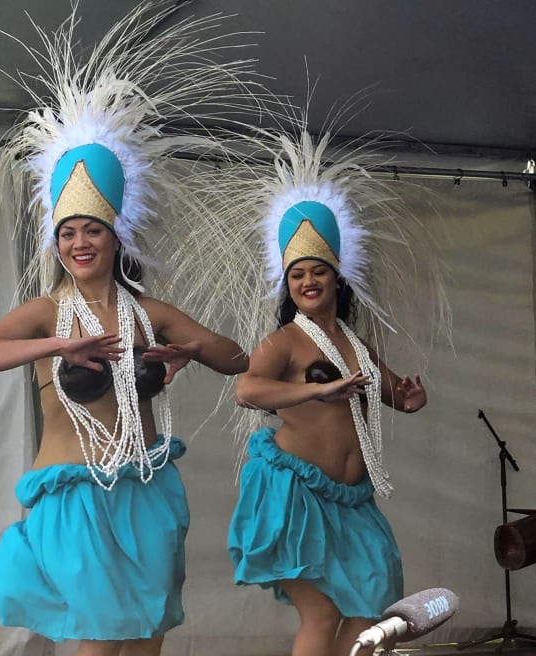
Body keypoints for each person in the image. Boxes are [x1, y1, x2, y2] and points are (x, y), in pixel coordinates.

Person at [0, 7, 260, 654]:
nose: (79, 242)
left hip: (146, 489)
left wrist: (192, 350)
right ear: (56, 243)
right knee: (99, 641)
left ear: (116, 235)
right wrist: (60, 345)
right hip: (76, 496)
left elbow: (238, 359)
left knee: (147, 639)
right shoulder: (45, 311)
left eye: (91, 229)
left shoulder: (148, 311)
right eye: (67, 232)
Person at [227, 126, 444, 656]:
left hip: (352, 500)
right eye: (297, 273)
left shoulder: (355, 341)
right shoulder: (286, 341)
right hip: (296, 494)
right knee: (322, 611)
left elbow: (391, 392)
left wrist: (409, 398)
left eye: (317, 271)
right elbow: (247, 391)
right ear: (288, 283)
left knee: (373, 607)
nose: (307, 281)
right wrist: (312, 393)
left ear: (336, 277)